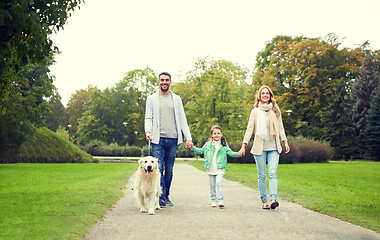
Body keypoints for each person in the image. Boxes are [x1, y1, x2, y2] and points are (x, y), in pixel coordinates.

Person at [145, 72, 193, 208]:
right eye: (162, 80)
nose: (164, 82)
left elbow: (183, 119)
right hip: (157, 139)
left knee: (169, 170)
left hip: (173, 139)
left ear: (170, 82)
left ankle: (166, 196)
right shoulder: (152, 99)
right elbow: (148, 118)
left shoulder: (176, 99)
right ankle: (160, 197)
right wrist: (148, 131)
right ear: (158, 81)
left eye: (167, 80)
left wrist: (188, 138)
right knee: (158, 168)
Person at [238, 85, 290, 210]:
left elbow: (281, 127)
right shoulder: (255, 111)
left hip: (274, 147)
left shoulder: (275, 110)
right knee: (261, 175)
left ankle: (273, 199)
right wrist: (244, 145)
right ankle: (264, 201)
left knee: (272, 173)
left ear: (270, 95)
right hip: (259, 148)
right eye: (263, 93)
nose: (265, 95)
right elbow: (249, 129)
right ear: (259, 96)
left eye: (267, 93)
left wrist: (285, 141)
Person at [190, 126, 241, 208]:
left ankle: (220, 200)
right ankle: (213, 200)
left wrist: (238, 154)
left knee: (219, 183)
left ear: (221, 134)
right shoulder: (207, 145)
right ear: (211, 135)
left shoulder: (224, 145)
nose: (216, 135)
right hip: (210, 167)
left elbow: (230, 153)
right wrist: (192, 147)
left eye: (218, 133)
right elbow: (200, 151)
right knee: (212, 185)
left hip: (220, 168)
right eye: (214, 133)